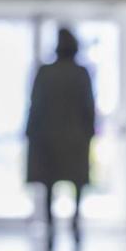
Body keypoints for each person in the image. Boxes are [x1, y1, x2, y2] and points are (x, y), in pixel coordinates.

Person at [25, 29, 96, 235]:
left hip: (50, 137)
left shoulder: (47, 73)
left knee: (49, 182)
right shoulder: (80, 74)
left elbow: (35, 105)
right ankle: (73, 220)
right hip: (74, 137)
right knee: (73, 181)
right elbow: (88, 107)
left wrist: (32, 132)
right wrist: (88, 132)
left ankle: (51, 222)